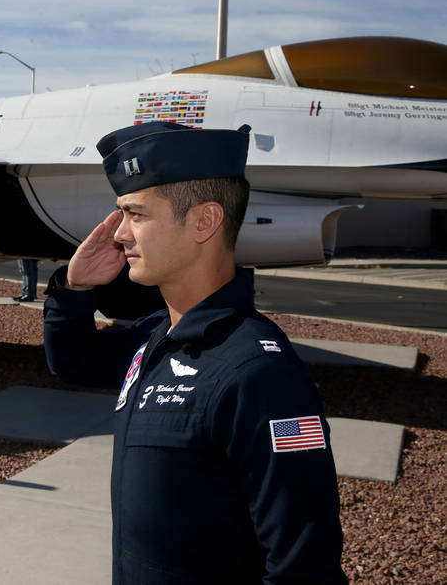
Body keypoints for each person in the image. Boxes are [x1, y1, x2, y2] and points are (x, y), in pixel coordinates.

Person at [43, 121, 347, 583]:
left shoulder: (259, 374)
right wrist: (76, 288)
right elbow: (72, 361)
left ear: (204, 222)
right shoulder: (157, 338)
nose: (119, 234)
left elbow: (303, 567)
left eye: (136, 215)